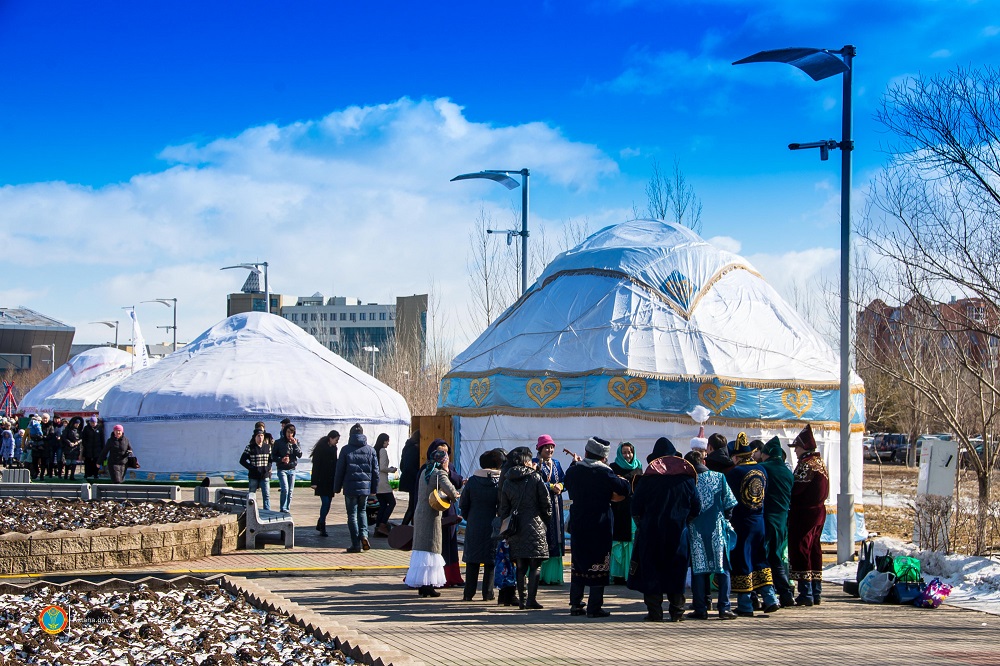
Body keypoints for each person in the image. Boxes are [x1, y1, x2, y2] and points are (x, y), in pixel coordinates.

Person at [628, 437, 700, 622]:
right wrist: (684, 521)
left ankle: (655, 612)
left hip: (651, 533)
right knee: (677, 570)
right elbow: (696, 507)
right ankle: (677, 612)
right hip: (678, 533)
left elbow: (635, 508)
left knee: (651, 570)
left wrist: (643, 525)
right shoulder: (687, 481)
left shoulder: (646, 481)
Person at [564, 436, 630, 618]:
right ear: (603, 457)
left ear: (586, 452)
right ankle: (594, 607)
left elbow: (566, 482)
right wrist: (620, 479)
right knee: (599, 562)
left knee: (578, 561)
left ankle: (576, 604)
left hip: (579, 521)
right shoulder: (605, 473)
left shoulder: (574, 471)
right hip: (599, 523)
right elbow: (625, 489)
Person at [724, 433, 780, 616]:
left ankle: (745, 604)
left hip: (742, 522)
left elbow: (730, 499)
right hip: (759, 520)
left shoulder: (734, 473)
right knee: (760, 558)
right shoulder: (761, 470)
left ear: (737, 456)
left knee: (743, 560)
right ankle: (770, 597)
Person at [685, 448, 738, 620]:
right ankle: (724, 608)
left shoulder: (689, 481)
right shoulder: (719, 477)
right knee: (722, 570)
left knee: (699, 571)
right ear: (703, 462)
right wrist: (723, 519)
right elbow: (730, 503)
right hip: (717, 529)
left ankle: (701, 608)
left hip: (697, 531)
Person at [404, 441, 459, 597]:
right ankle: (428, 585)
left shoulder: (425, 470)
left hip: (420, 513)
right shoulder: (439, 473)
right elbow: (451, 490)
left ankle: (423, 584)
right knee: (431, 548)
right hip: (431, 514)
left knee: (421, 549)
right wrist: (456, 495)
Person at [498, 446, 550, 610]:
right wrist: (544, 521)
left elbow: (503, 509)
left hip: (516, 528)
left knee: (520, 566)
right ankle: (531, 600)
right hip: (535, 524)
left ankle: (522, 600)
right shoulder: (535, 477)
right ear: (526, 461)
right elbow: (546, 503)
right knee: (535, 565)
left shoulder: (507, 481)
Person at [787, 424, 830, 606]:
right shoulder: (819, 463)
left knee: (802, 549)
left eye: (796, 447)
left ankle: (806, 592)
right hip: (818, 512)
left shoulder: (806, 465)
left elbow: (795, 489)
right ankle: (816, 591)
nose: (795, 451)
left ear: (804, 447)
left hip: (805, 514)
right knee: (814, 549)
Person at [756, 436, 796, 607]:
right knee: (776, 557)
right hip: (782, 521)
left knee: (762, 557)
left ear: (767, 454)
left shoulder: (763, 469)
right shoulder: (788, 473)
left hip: (765, 519)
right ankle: (786, 594)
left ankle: (769, 595)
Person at [460, 448, 503, 601]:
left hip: (474, 523)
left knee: (473, 560)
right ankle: (488, 593)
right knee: (490, 561)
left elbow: (463, 504)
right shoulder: (499, 483)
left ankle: (468, 593)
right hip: (493, 525)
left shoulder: (472, 481)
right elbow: (502, 506)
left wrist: (470, 517)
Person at [333, 423, 379, 553]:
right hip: (365, 488)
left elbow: (339, 470)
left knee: (352, 514)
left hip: (350, 487)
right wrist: (374, 489)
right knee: (362, 511)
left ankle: (355, 544)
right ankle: (364, 535)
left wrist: (336, 488)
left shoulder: (345, 450)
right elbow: (375, 471)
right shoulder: (371, 450)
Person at [532, 434, 567, 585]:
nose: (550, 449)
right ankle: (540, 575)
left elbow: (564, 480)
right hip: (540, 506)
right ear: (540, 448)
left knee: (556, 536)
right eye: (547, 447)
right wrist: (552, 486)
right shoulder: (534, 463)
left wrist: (561, 486)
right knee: (543, 536)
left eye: (552, 447)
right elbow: (534, 483)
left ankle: (553, 576)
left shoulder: (557, 463)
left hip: (556, 505)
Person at [609, 441, 642, 585]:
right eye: (624, 452)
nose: (627, 455)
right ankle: (618, 574)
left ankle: (631, 573)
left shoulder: (638, 467)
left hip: (633, 508)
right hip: (618, 508)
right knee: (619, 541)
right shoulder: (613, 467)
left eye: (630, 452)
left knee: (631, 541)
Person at [309, 430, 340, 537]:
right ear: (330, 438)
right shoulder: (321, 449)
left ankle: (321, 521)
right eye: (336, 440)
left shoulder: (334, 449)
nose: (337, 442)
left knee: (328, 504)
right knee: (325, 502)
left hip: (330, 480)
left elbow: (335, 463)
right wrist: (314, 482)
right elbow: (316, 465)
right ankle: (322, 524)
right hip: (322, 480)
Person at [239, 426, 273, 510]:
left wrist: (268, 468)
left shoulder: (268, 447)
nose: (260, 438)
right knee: (252, 494)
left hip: (265, 475)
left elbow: (270, 460)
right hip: (253, 476)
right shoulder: (250, 447)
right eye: (258, 436)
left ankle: (267, 511)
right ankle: (250, 511)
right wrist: (251, 467)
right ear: (255, 437)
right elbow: (242, 460)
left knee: (266, 495)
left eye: (262, 436)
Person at [272, 423, 302, 514]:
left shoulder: (295, 442)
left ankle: (287, 508)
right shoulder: (278, 442)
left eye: (292, 432)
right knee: (285, 488)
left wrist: (295, 445)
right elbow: (272, 456)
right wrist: (281, 459)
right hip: (282, 469)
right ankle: (283, 508)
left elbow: (300, 454)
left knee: (290, 490)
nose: (290, 435)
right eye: (288, 432)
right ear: (285, 432)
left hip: (292, 468)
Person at [372, 433, 398, 537]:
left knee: (383, 505)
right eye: (387, 441)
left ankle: (378, 527)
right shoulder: (382, 451)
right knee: (392, 502)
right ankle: (382, 525)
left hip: (377, 482)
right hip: (383, 482)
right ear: (383, 441)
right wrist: (391, 469)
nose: (388, 443)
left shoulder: (375, 450)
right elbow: (382, 467)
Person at [398, 430, 421, 526]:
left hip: (408, 478)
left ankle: (407, 527)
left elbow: (402, 465)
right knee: (413, 506)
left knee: (412, 505)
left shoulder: (407, 447)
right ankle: (404, 528)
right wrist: (419, 476)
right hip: (413, 480)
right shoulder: (415, 449)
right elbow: (410, 466)